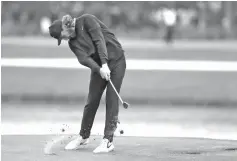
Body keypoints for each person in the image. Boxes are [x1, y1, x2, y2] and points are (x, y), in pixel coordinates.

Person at [48, 14, 126, 153]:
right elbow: (83, 58)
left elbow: (99, 41)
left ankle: (108, 141)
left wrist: (104, 64)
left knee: (111, 98)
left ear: (66, 26)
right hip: (100, 67)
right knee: (92, 100)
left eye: (62, 36)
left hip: (116, 61)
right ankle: (84, 136)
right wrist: (99, 68)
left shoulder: (87, 20)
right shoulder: (72, 43)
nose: (64, 39)